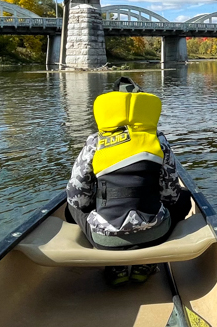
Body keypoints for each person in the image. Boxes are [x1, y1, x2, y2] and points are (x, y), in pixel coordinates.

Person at [66, 77, 192, 286]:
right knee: (185, 199)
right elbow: (171, 196)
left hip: (104, 241)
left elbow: (77, 198)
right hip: (155, 235)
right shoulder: (158, 140)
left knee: (71, 206)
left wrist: (95, 204)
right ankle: (146, 262)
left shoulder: (95, 142)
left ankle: (115, 266)